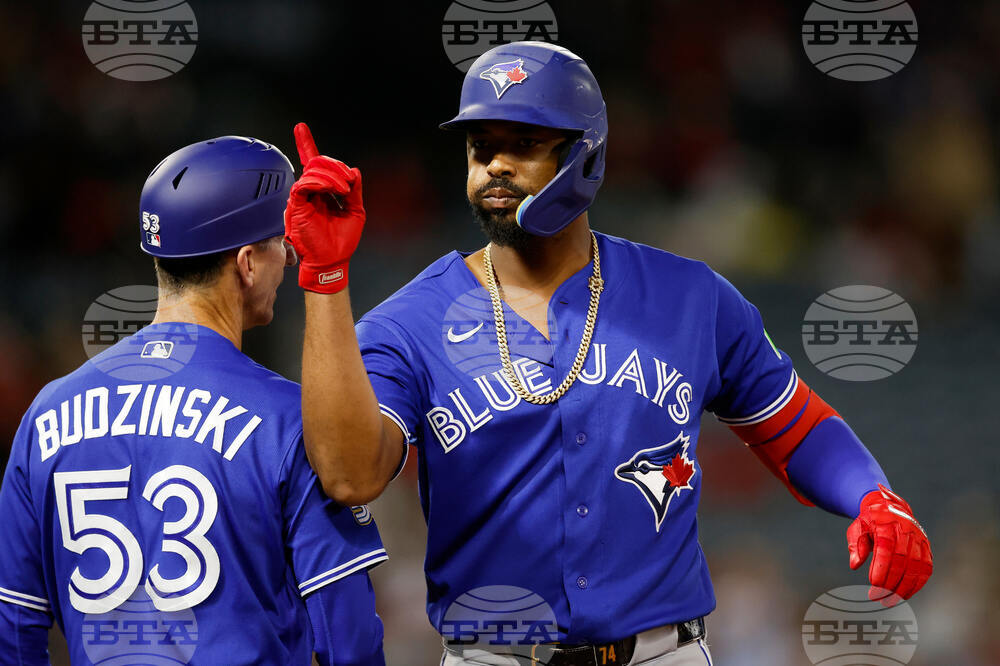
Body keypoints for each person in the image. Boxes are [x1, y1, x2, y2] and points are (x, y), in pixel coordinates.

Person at [284, 42, 933, 665]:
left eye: (526, 145)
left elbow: (795, 427)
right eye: (482, 148)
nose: (496, 166)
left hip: (664, 653)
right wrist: (324, 277)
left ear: (585, 156)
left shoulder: (691, 298)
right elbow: (350, 477)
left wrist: (873, 496)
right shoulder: (408, 321)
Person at [0, 136, 388, 665]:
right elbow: (350, 638)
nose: (289, 256)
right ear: (247, 263)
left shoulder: (46, 412)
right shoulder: (289, 422)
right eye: (282, 243)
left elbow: (16, 628)